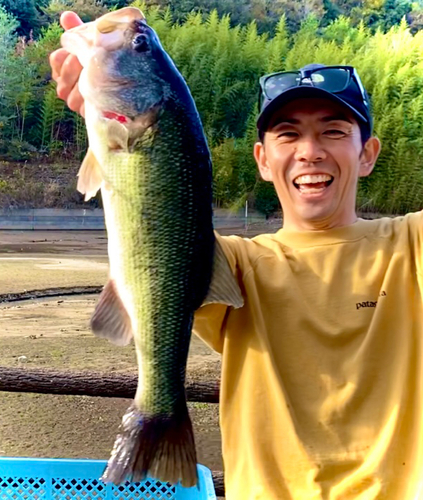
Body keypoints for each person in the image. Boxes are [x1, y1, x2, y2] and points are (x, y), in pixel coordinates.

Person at [50, 12, 423, 500]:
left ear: (368, 153)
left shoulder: (412, 244)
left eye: (333, 131)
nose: (310, 151)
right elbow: (160, 219)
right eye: (288, 134)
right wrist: (104, 112)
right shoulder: (232, 265)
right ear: (263, 160)